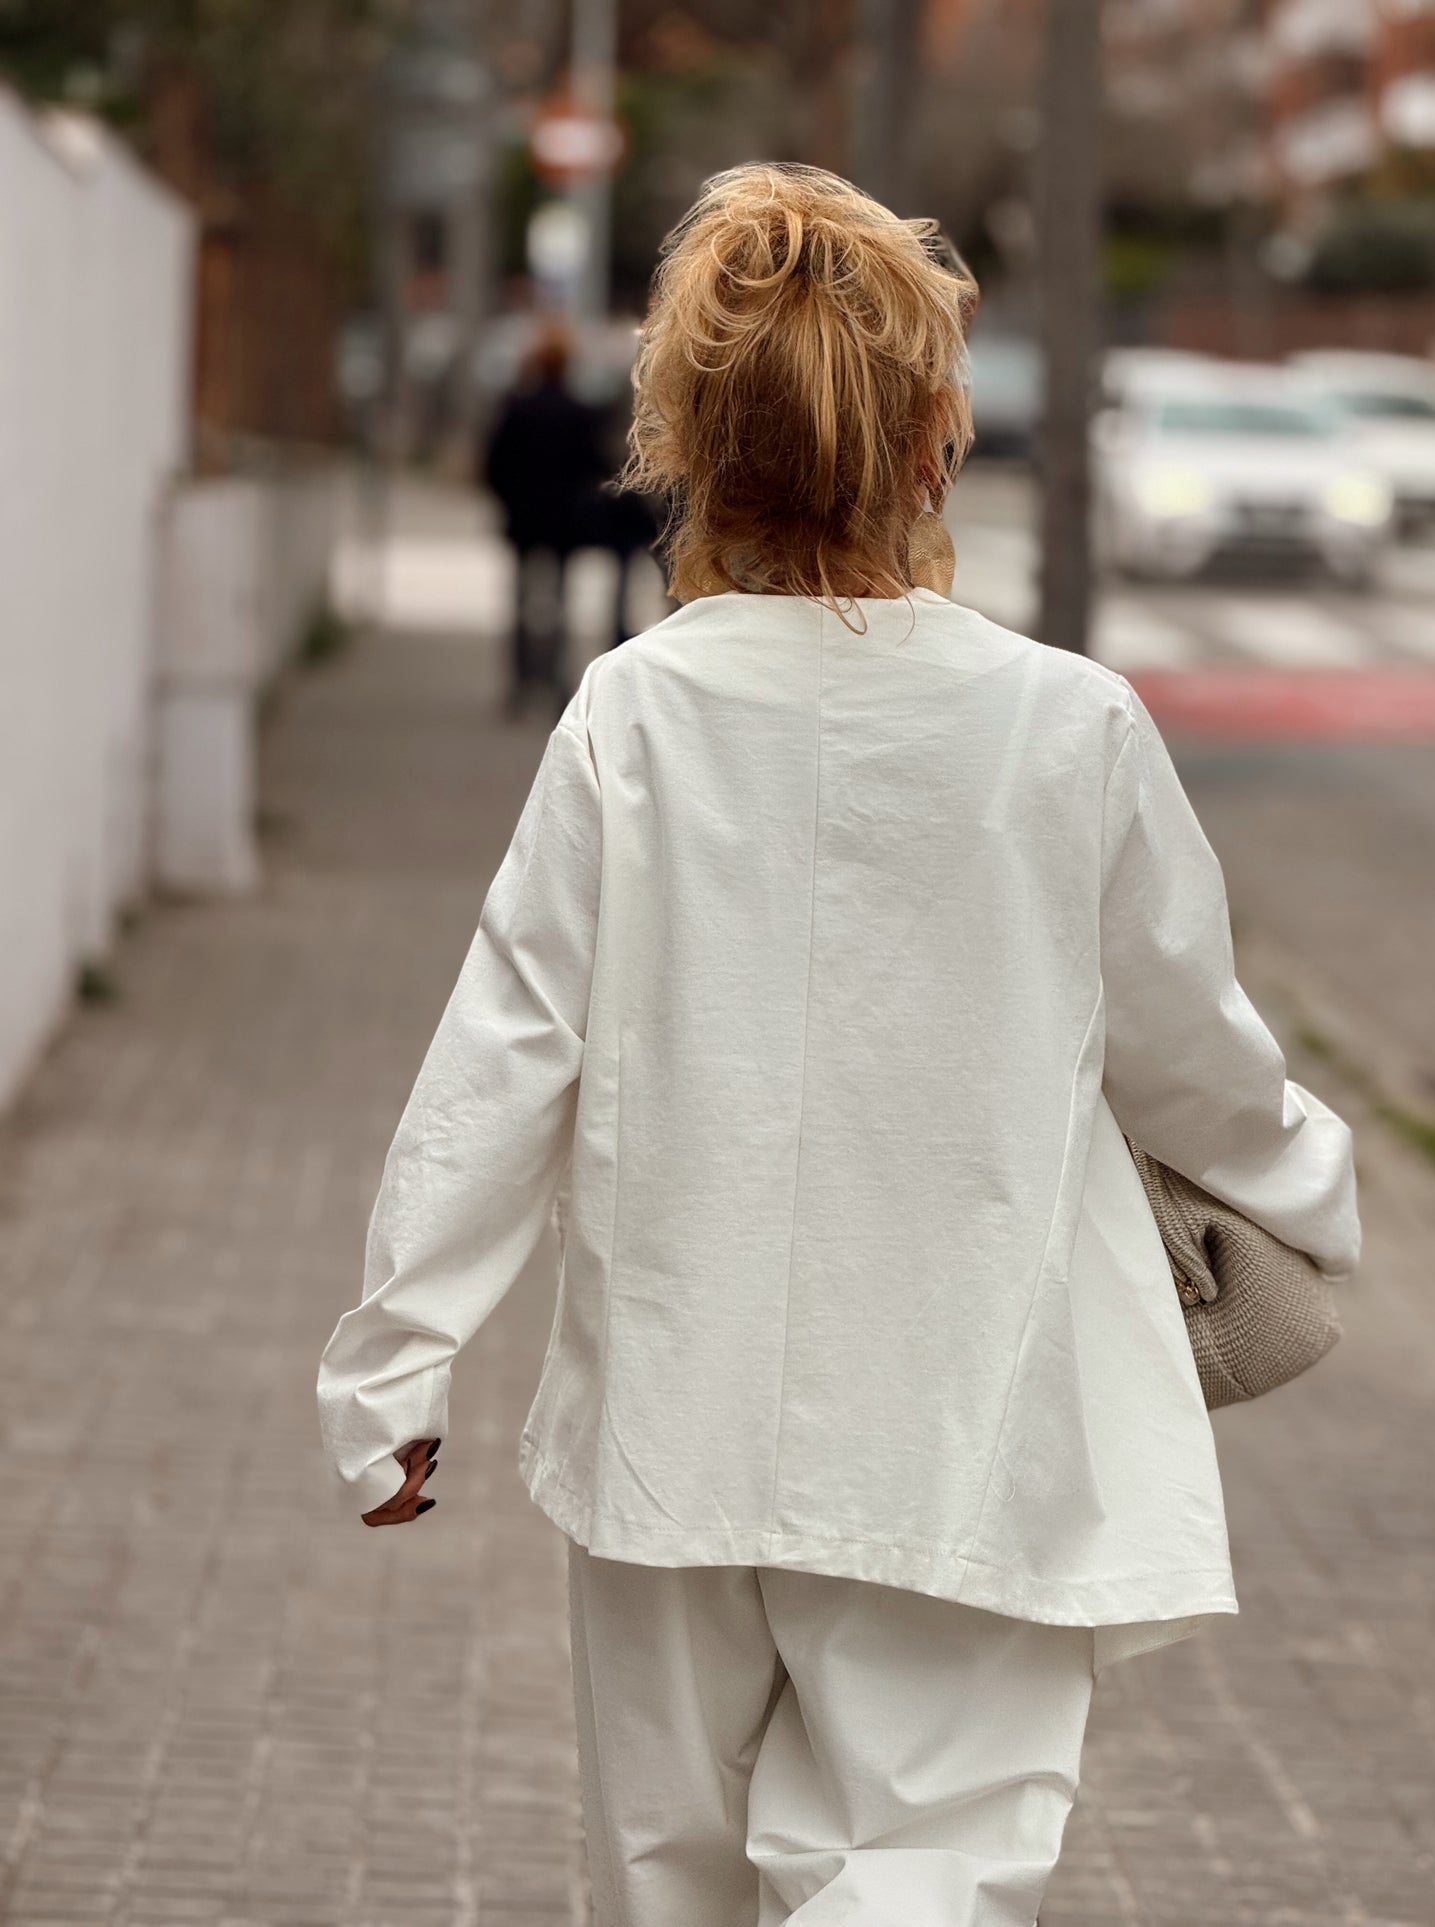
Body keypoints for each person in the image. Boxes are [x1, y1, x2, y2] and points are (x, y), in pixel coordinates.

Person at [318, 165, 1361, 1926]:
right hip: (966, 1415)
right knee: (927, 1871)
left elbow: (503, 1054)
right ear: (936, 438)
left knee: (671, 1881)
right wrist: (1314, 1201)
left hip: (669, 1418)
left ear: (689, 447)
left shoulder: (633, 714)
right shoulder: (1069, 729)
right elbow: (1197, 1060)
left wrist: (393, 1370)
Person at [481, 320, 607, 716]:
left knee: (521, 602)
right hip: (565, 522)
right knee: (562, 602)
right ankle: (558, 684)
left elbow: (493, 465)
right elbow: (597, 468)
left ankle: (521, 684)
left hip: (524, 519)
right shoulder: (580, 413)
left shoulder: (518, 408)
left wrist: (509, 501)